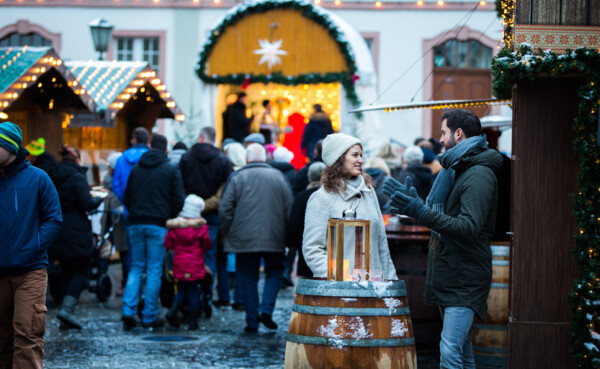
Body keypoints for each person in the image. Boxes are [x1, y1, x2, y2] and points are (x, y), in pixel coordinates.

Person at [384, 109, 503, 369]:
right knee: (461, 349)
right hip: (453, 271)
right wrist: (415, 207)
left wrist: (422, 212)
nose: (439, 139)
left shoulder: (478, 174)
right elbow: (447, 218)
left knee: (450, 350)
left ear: (458, 134)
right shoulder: (457, 168)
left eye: (443, 132)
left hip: (465, 275)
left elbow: (468, 227)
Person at [0, 122, 62, 369]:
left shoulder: (38, 178)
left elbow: (54, 219)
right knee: (2, 341)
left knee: (27, 336)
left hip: (30, 271)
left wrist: (34, 245)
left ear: (9, 146)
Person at [219, 143, 293, 333]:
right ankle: (266, 310)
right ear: (266, 158)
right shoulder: (279, 177)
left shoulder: (237, 177)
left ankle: (252, 321)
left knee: (248, 278)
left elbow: (225, 208)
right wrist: (286, 234)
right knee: (275, 272)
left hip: (243, 238)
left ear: (247, 159)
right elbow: (289, 209)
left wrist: (227, 231)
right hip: (274, 237)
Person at [303, 133, 397, 280]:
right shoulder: (321, 198)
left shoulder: (368, 191)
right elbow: (312, 249)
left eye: (361, 155)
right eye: (355, 155)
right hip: (340, 291)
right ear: (339, 158)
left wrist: (391, 281)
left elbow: (381, 243)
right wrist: (341, 276)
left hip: (375, 288)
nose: (360, 160)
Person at [121, 134, 186, 329]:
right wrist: (168, 215)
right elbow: (179, 199)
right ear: (166, 149)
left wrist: (135, 213)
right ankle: (149, 315)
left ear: (150, 147)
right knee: (154, 270)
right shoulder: (170, 170)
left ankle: (128, 310)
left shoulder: (137, 169)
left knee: (136, 267)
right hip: (158, 224)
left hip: (136, 223)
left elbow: (127, 196)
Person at [179, 127, 233, 311]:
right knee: (209, 254)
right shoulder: (223, 161)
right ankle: (206, 295)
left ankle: (187, 295)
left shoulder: (186, 158)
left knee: (187, 252)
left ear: (201, 137)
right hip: (211, 214)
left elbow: (179, 185)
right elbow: (226, 191)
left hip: (187, 214)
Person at [50, 144, 103, 329]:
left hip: (57, 229)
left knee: (66, 270)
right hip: (76, 231)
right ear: (77, 159)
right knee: (82, 270)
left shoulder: (53, 176)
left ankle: (64, 313)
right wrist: (99, 199)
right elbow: (87, 203)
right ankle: (67, 309)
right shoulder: (77, 177)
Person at [164, 194, 211, 330]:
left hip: (179, 262)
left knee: (182, 289)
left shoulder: (176, 226)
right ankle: (193, 321)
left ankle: (173, 311)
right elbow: (206, 244)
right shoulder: (200, 227)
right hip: (195, 263)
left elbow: (168, 244)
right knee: (192, 291)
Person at [286, 162, 326, 278]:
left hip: (306, 249)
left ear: (309, 177)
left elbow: (294, 224)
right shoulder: (333, 196)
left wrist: (292, 243)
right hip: (329, 251)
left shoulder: (301, 197)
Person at [101, 152, 128, 296]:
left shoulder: (121, 179)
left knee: (124, 252)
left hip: (119, 218)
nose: (108, 168)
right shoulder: (107, 178)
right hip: (108, 218)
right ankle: (102, 279)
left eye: (109, 165)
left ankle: (125, 283)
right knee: (105, 249)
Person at [112, 127, 150, 205]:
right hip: (148, 206)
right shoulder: (152, 157)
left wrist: (125, 201)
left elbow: (116, 185)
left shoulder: (122, 158)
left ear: (134, 140)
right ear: (147, 141)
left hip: (128, 206)